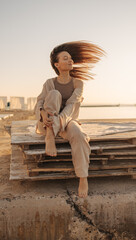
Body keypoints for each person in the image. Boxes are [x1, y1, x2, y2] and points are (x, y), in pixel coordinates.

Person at [34, 41, 105, 198]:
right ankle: (49, 136)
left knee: (79, 134)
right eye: (65, 58)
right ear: (57, 64)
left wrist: (56, 122)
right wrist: (43, 114)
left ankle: (83, 177)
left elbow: (71, 107)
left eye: (71, 58)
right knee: (54, 94)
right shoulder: (49, 83)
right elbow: (40, 102)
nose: (70, 60)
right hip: (47, 122)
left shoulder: (78, 83)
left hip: (66, 120)